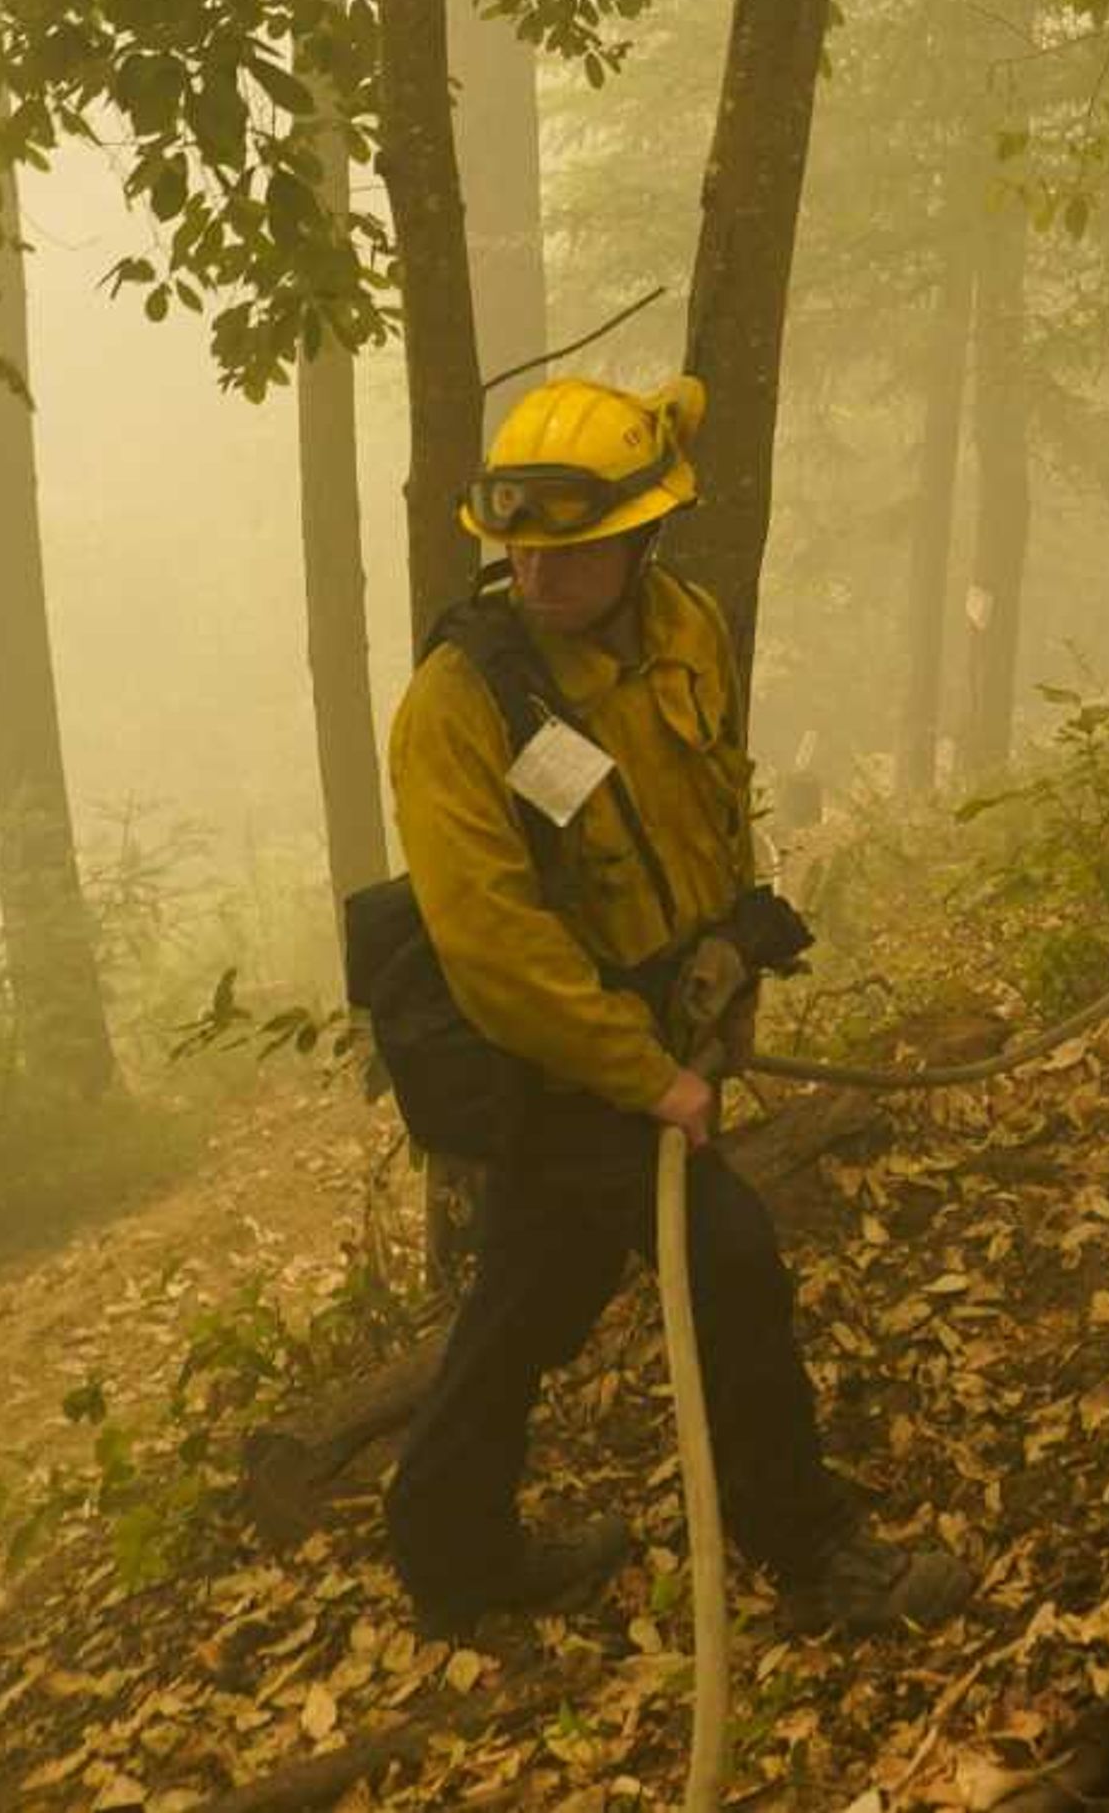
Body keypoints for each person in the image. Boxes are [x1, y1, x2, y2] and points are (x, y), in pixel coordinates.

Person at [381, 373, 972, 1639]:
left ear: (645, 536)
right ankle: (812, 1555)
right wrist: (645, 1075)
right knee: (735, 1265)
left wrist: (727, 966)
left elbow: (704, 805)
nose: (541, 578)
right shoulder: (460, 703)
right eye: (521, 551)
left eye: (575, 552)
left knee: (532, 1293)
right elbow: (490, 943)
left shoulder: (688, 624)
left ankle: (447, 1545)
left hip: (663, 1015)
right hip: (554, 1049)